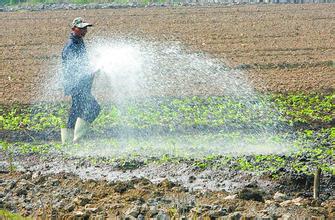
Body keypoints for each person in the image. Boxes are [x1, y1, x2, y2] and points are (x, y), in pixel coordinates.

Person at [61, 17, 100, 144]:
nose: (84, 31)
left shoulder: (78, 42)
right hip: (77, 85)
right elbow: (72, 68)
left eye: (85, 28)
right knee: (94, 108)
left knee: (75, 111)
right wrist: (90, 72)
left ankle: (66, 142)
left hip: (79, 84)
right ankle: (77, 139)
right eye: (81, 28)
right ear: (73, 29)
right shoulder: (71, 46)